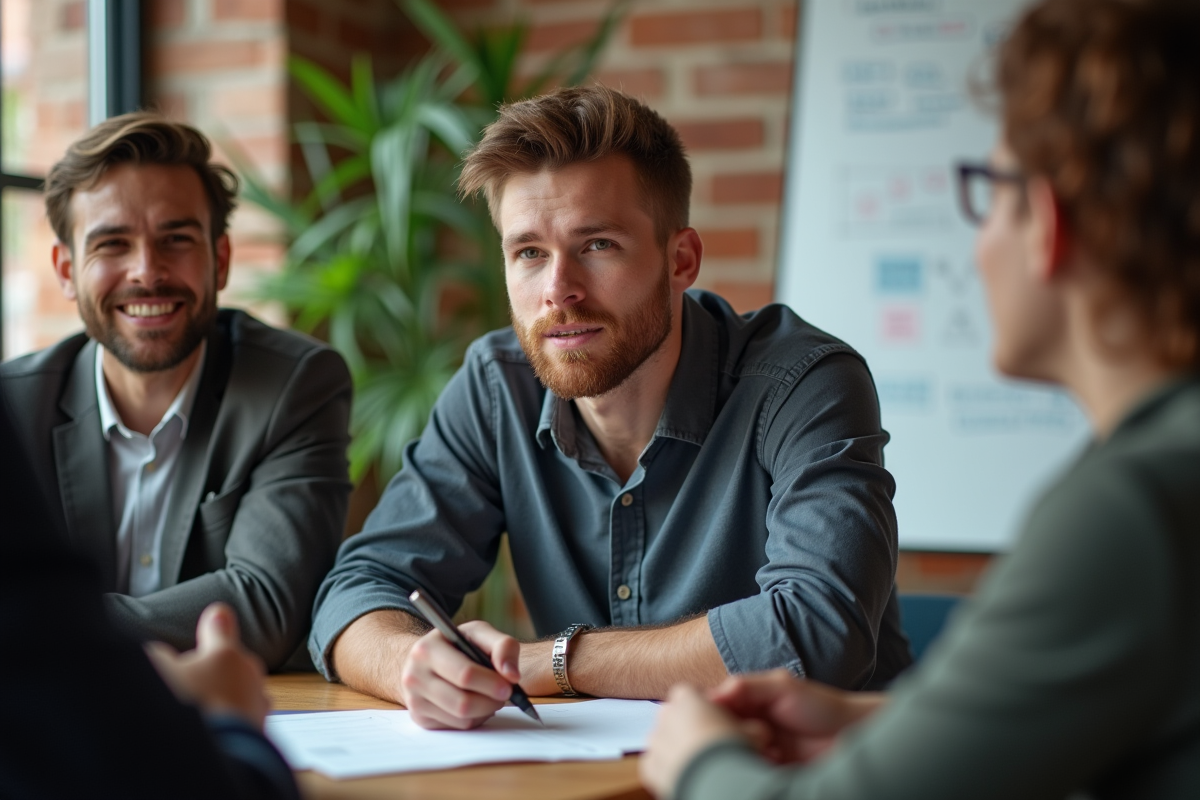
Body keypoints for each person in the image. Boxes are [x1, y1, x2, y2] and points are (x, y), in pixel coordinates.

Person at [640, 1, 1200, 797]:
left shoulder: (1131, 512)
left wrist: (699, 758)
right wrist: (878, 726)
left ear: (1045, 221)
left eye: (988, 189)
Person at [310, 85, 912, 730]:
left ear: (681, 260)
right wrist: (414, 664)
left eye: (597, 245)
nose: (558, 292)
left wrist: (559, 662)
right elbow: (356, 591)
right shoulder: (497, 387)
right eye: (529, 253)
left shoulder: (803, 382)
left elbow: (819, 632)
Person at [0, 112, 353, 670]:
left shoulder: (295, 386)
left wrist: (56, 628)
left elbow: (265, 605)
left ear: (221, 259)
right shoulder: (13, 408)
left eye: (176, 239)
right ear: (66, 270)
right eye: (112, 244)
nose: (147, 271)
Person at [0, 384, 299, 800]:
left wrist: (87, 631)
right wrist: (229, 720)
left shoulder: (289, 384)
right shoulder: (19, 391)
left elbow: (266, 598)